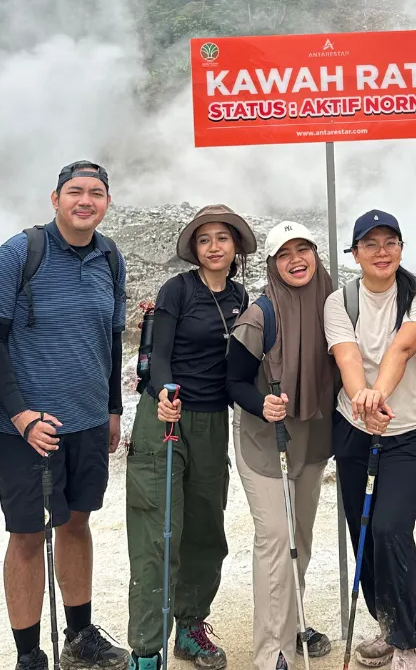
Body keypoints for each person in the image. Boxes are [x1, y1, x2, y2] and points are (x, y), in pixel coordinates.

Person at [0, 161, 128, 670]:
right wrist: (21, 415)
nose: (85, 201)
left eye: (95, 193)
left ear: (107, 202)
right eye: (75, 192)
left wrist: (112, 409)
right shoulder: (21, 252)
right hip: (24, 428)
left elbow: (112, 340)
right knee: (26, 534)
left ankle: (80, 635)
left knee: (76, 523)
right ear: (55, 199)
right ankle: (28, 655)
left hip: (87, 422)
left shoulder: (111, 256)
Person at [126, 205, 257, 670]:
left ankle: (190, 626)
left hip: (211, 421)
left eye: (223, 238)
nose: (215, 246)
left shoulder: (242, 298)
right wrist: (163, 392)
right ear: (195, 250)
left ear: (236, 246)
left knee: (205, 528)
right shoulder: (177, 290)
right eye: (205, 240)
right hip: (165, 414)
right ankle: (145, 649)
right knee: (157, 530)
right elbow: (160, 356)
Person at [325, 210, 416, 670]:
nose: (381, 252)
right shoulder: (341, 301)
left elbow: (404, 346)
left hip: (410, 432)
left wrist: (377, 397)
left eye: (390, 242)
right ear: (355, 254)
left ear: (401, 248)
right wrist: (362, 402)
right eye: (370, 244)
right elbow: (347, 357)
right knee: (365, 530)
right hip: (354, 428)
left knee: (392, 527)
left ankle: (406, 639)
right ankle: (385, 623)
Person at [227, 222, 336, 670]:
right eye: (284, 253)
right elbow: (232, 380)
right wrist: (262, 402)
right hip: (263, 440)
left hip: (310, 439)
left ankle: (290, 624)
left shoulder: (333, 307)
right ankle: (273, 652)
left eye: (303, 249)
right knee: (275, 538)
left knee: (301, 538)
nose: (296, 259)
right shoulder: (260, 315)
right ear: (272, 265)